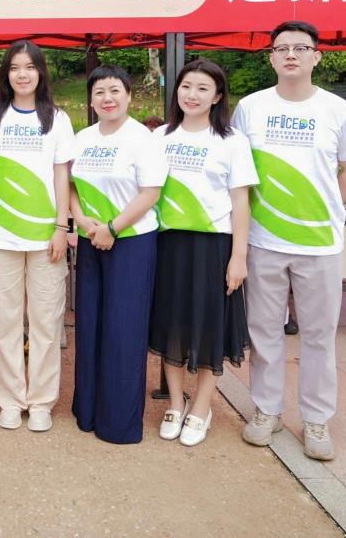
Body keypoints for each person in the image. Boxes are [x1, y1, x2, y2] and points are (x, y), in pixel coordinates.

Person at [233, 21, 346, 462]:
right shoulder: (250, 108)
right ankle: (266, 410)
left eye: (301, 48)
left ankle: (316, 418)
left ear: (317, 56)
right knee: (263, 331)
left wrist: (325, 207)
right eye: (282, 48)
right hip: (263, 239)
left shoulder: (338, 110)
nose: (291, 54)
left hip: (319, 243)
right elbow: (238, 170)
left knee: (319, 335)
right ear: (271, 58)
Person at [150, 59, 257, 447]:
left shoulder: (231, 141)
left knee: (210, 326)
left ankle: (202, 407)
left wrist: (239, 257)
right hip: (166, 244)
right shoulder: (159, 136)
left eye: (202, 88)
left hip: (213, 246)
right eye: (186, 86)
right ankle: (176, 403)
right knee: (171, 323)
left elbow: (240, 201)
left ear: (217, 96)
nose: (191, 95)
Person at [69, 65, 166, 444]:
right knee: (90, 326)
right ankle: (88, 412)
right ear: (91, 99)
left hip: (131, 243)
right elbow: (70, 185)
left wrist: (113, 228)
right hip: (90, 240)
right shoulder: (82, 138)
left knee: (123, 332)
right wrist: (81, 220)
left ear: (129, 96)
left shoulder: (144, 139)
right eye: (99, 92)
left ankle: (118, 424)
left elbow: (151, 192)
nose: (107, 98)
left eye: (114, 91)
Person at [0, 39, 76, 433]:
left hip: (46, 238)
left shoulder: (57, 119)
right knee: (6, 322)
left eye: (29, 67)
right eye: (14, 68)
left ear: (40, 72)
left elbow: (62, 175)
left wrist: (61, 227)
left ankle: (40, 401)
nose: (22, 74)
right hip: (3, 236)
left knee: (46, 323)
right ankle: (10, 399)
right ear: (6, 75)